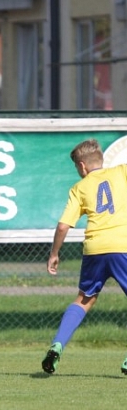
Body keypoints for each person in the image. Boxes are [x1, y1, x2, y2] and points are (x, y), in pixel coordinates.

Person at [42, 138, 127, 376]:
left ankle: (58, 344)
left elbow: (62, 227)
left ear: (82, 166)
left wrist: (54, 254)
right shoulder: (121, 172)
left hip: (94, 248)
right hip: (123, 246)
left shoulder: (79, 188)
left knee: (84, 300)